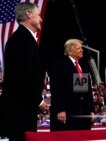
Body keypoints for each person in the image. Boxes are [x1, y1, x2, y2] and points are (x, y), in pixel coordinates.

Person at [0, 2, 48, 141]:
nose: (41, 19)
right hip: (19, 112)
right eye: (38, 15)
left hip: (22, 109)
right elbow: (23, 76)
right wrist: (39, 101)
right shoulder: (21, 39)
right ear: (28, 14)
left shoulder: (24, 39)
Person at [50, 39, 95, 131]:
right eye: (79, 48)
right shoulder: (60, 64)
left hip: (83, 114)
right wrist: (60, 109)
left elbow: (86, 91)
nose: (82, 50)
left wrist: (91, 110)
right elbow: (56, 89)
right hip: (67, 113)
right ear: (69, 51)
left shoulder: (83, 66)